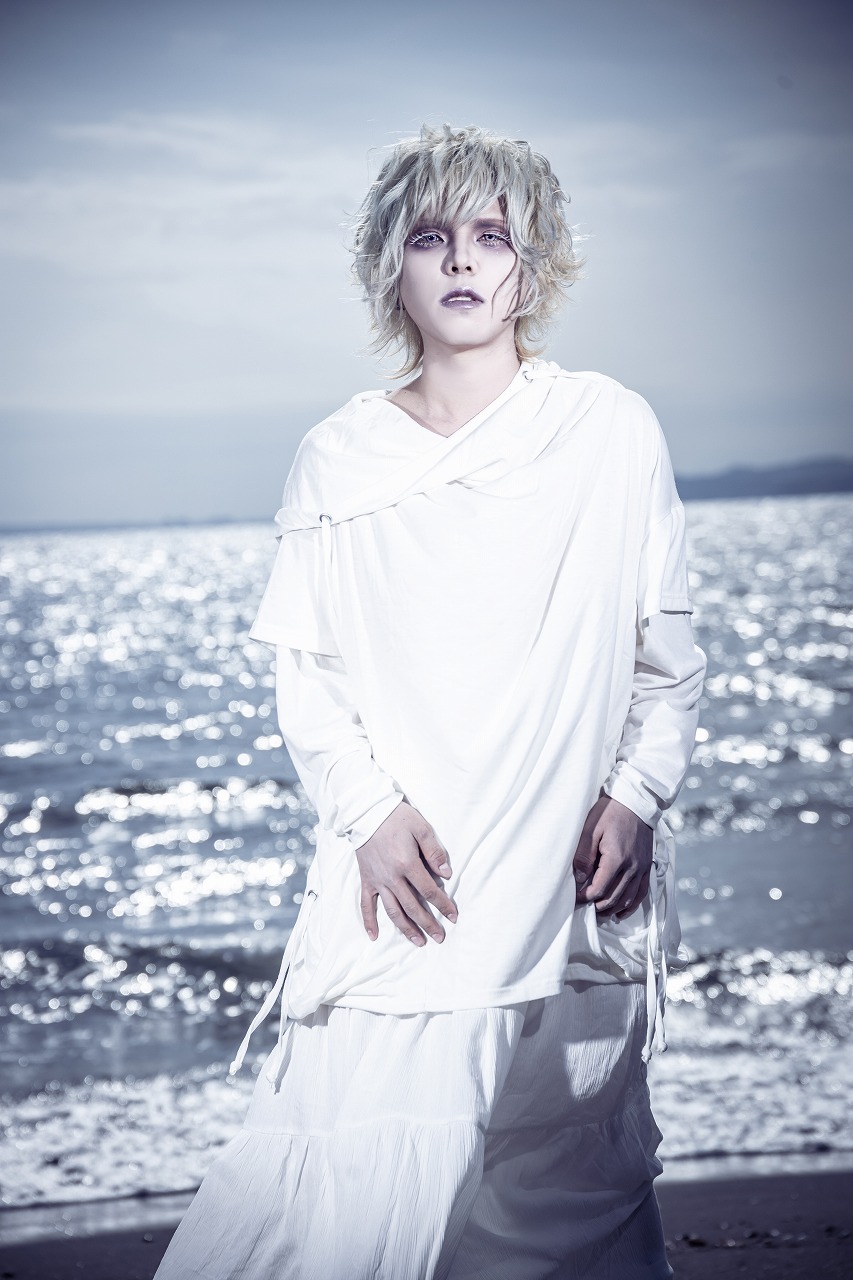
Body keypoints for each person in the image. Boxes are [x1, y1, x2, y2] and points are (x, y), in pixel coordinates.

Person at [154, 122, 706, 1280]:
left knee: (557, 1204)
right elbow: (309, 679)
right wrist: (369, 813)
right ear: (388, 269)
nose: (461, 260)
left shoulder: (607, 429)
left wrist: (636, 796)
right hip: (411, 886)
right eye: (429, 238)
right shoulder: (337, 455)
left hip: (562, 886)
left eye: (492, 236)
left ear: (533, 265)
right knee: (351, 1206)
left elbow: (665, 657)